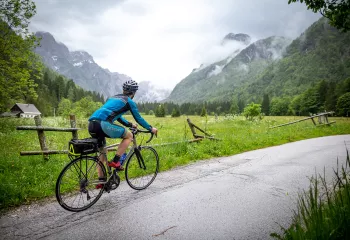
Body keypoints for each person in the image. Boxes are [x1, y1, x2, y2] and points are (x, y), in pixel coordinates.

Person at [88, 80, 158, 173]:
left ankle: (101, 181)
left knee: (103, 152)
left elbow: (118, 117)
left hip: (92, 124)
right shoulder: (129, 101)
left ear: (123, 90)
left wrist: (130, 124)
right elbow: (139, 118)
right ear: (134, 93)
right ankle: (115, 162)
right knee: (129, 136)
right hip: (103, 124)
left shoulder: (113, 98)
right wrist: (150, 128)